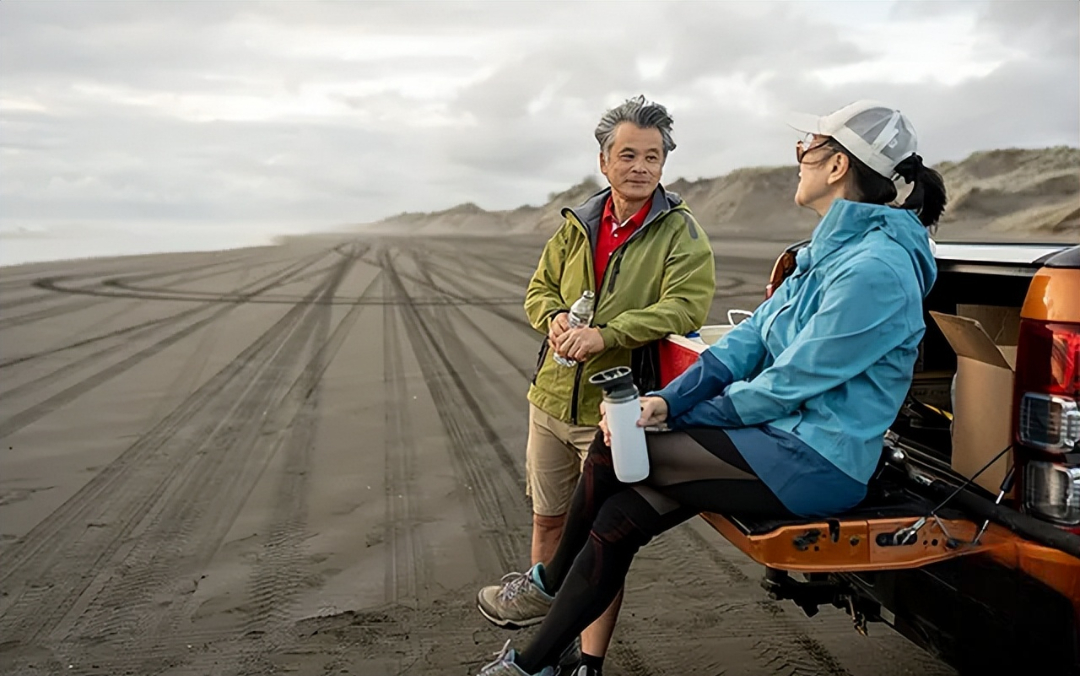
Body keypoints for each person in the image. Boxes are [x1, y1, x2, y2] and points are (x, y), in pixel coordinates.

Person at [473, 99, 947, 676]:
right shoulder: (828, 252)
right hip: (775, 440)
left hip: (816, 458)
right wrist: (666, 400)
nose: (798, 159)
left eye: (806, 148)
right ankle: (538, 664)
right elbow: (744, 344)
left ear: (837, 165)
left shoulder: (875, 268)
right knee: (619, 516)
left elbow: (789, 383)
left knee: (616, 446)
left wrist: (679, 416)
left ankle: (545, 595)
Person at [498, 95, 715, 675]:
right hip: (550, 398)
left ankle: (588, 664)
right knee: (548, 520)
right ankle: (554, 645)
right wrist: (554, 318)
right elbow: (539, 289)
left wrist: (607, 334)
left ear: (664, 163)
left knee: (602, 542)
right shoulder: (577, 225)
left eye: (652, 156)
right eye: (628, 155)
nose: (640, 166)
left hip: (616, 411)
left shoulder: (681, 232)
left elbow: (685, 306)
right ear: (604, 161)